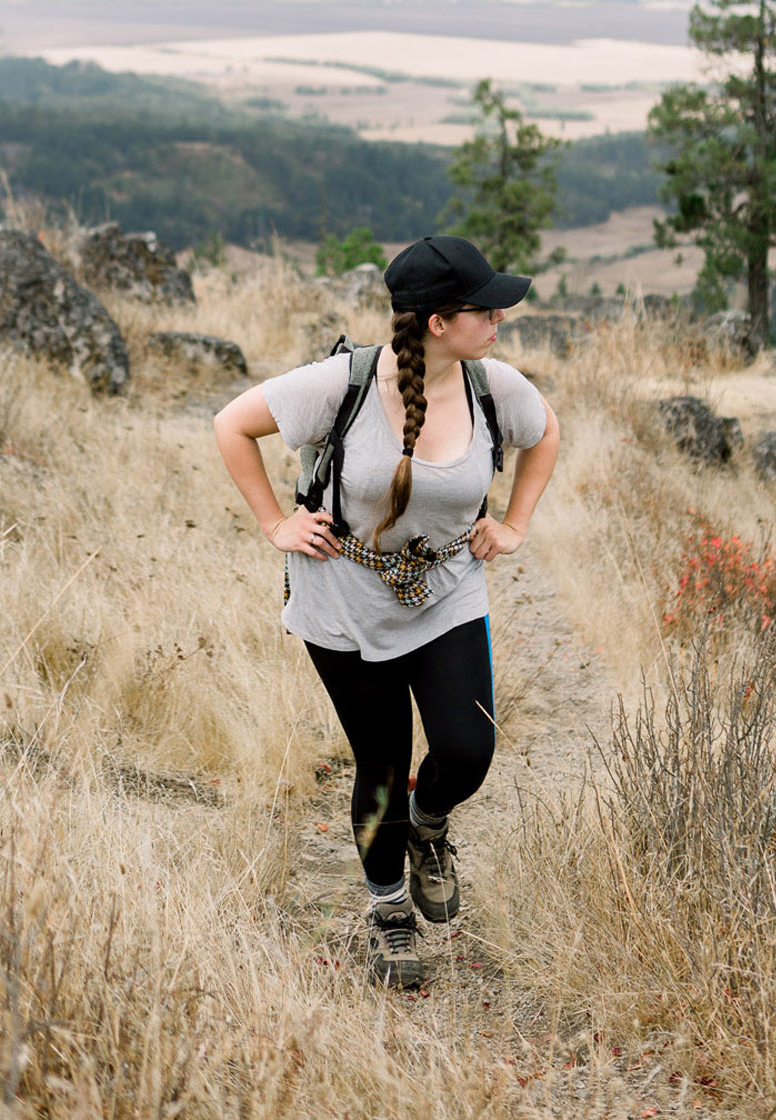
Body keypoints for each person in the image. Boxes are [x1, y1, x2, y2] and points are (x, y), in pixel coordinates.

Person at [213, 235, 559, 988]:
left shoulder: (494, 386)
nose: (501, 315)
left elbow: (545, 433)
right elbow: (231, 424)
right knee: (381, 763)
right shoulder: (341, 384)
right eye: (485, 306)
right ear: (438, 321)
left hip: (446, 591)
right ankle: (388, 910)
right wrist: (277, 523)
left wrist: (516, 524)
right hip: (343, 599)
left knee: (467, 752)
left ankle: (427, 825)